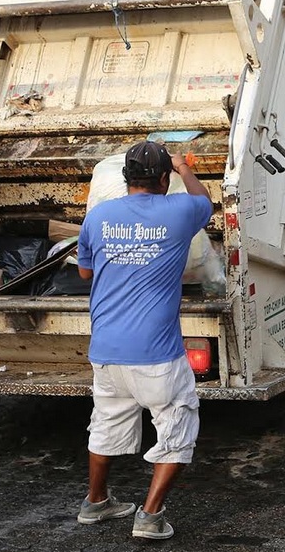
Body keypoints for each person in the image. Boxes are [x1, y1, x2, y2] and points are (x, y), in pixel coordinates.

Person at [75, 140, 213, 540]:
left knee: (104, 424)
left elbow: (85, 274)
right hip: (157, 355)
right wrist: (185, 168)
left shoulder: (99, 216)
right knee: (176, 426)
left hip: (105, 349)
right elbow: (204, 201)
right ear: (164, 179)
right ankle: (150, 516)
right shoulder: (180, 210)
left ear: (124, 178)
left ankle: (96, 502)